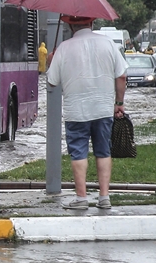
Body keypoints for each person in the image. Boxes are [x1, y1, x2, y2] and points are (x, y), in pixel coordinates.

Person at [46, 15, 128, 210]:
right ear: (91, 22)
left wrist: (51, 61)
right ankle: (104, 197)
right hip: (103, 109)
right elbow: (121, 76)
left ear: (70, 26)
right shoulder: (108, 44)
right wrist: (119, 103)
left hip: (76, 111)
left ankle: (81, 198)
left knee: (78, 153)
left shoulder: (63, 48)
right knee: (103, 151)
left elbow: (52, 82)